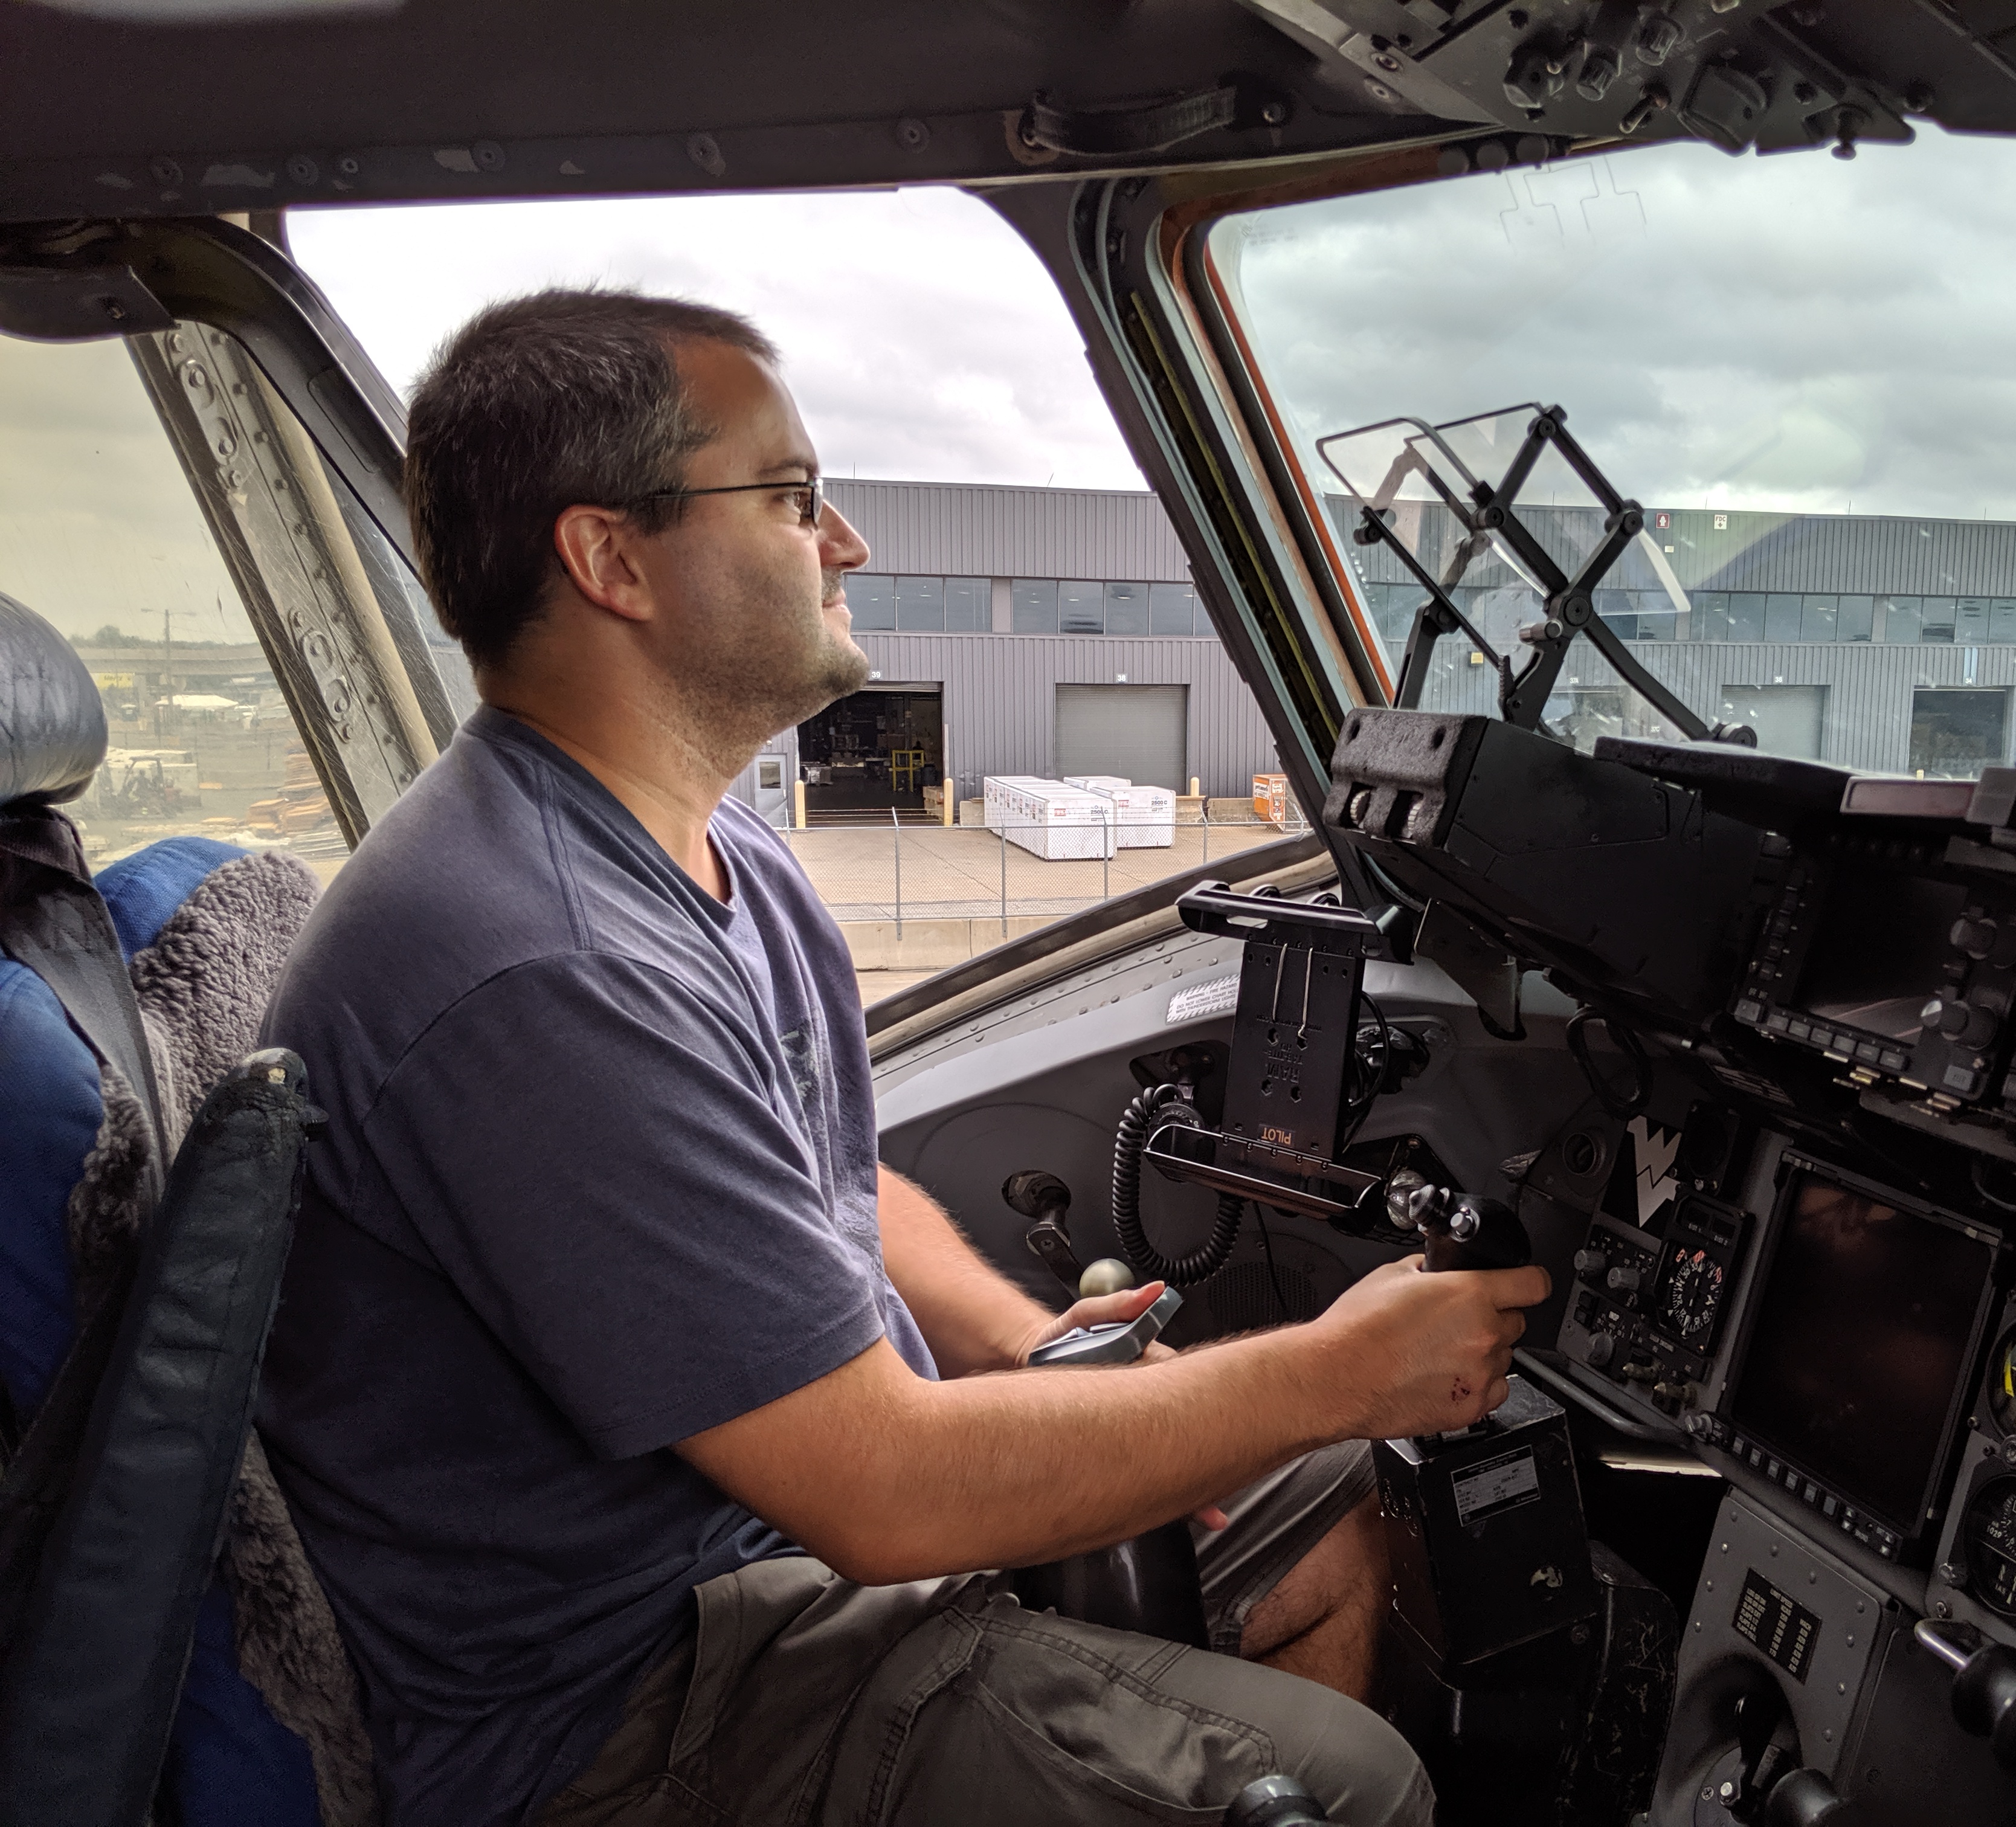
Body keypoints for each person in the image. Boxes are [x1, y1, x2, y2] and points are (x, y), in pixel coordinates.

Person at [256, 289, 1548, 1827]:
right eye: (795, 498)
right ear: (610, 560)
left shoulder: (709, 848)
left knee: (1333, 1499)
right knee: (1358, 1788)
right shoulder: (538, 963)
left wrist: (1028, 1352)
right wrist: (1335, 1370)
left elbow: (836, 1190)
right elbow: (887, 1495)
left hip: (769, 1566)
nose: (847, 542)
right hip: (639, 1710)